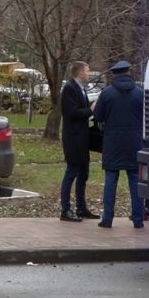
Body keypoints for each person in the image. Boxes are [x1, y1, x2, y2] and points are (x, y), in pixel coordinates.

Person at [92, 60, 145, 228]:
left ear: (114, 74)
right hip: (135, 143)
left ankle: (107, 219)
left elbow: (98, 117)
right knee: (136, 181)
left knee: (111, 180)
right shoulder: (140, 93)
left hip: (112, 142)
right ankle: (138, 219)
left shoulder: (107, 93)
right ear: (129, 72)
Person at [59, 61, 99, 222]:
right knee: (71, 173)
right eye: (87, 71)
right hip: (73, 139)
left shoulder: (80, 88)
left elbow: (79, 110)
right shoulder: (69, 88)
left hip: (82, 139)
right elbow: (72, 113)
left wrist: (90, 109)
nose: (89, 74)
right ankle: (65, 210)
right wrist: (91, 109)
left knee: (83, 174)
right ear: (80, 72)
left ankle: (81, 208)